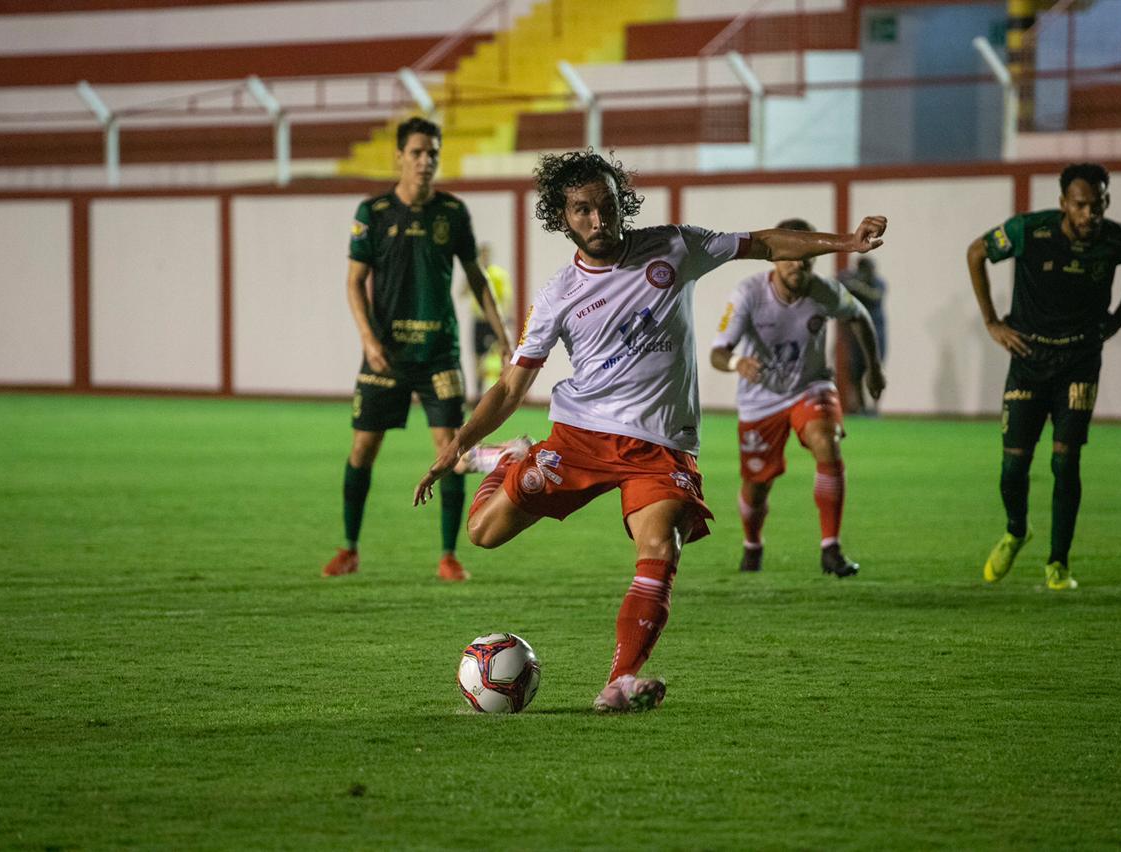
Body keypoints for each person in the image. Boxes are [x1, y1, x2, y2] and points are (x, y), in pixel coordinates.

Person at [414, 149, 887, 712]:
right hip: (580, 437)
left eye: (607, 207)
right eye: (582, 210)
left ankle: (619, 679)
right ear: (561, 215)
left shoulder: (674, 247)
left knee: (662, 544)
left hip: (661, 446)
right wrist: (459, 444)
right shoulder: (558, 295)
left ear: (622, 205)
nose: (598, 221)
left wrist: (846, 244)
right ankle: (515, 456)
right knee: (482, 534)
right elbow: (511, 390)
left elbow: (765, 243)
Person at [323, 116, 510, 582]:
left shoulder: (452, 212)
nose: (426, 161)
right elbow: (353, 282)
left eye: (433, 154)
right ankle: (349, 548)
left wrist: (504, 338)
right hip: (385, 353)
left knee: (450, 449)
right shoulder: (373, 213)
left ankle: (448, 555)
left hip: (438, 353)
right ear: (399, 157)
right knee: (363, 448)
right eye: (417, 153)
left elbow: (476, 278)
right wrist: (368, 338)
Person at [968, 162, 1121, 591]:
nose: (1091, 214)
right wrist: (992, 322)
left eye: (1098, 204)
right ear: (1063, 205)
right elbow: (976, 252)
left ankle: (1058, 563)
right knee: (1013, 467)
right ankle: (1017, 530)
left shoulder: (1117, 240)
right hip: (1029, 359)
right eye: (1081, 205)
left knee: (1065, 461)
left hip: (1079, 362)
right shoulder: (1029, 232)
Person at [710, 218, 886, 578]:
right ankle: (752, 545)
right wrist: (736, 362)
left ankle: (831, 548)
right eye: (790, 256)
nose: (798, 264)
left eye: (806, 257)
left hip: (810, 387)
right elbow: (718, 352)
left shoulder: (825, 291)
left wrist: (874, 369)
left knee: (826, 440)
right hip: (760, 399)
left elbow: (861, 317)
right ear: (774, 258)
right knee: (757, 486)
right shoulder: (748, 294)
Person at [838, 256, 888, 413]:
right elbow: (838, 284)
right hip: (856, 335)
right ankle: (861, 406)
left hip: (876, 334)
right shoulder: (852, 281)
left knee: (875, 369)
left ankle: (875, 406)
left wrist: (857, 286)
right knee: (856, 371)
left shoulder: (878, 283)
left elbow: (875, 295)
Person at [464, 243, 513, 398]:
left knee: (499, 355)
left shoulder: (498, 274)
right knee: (478, 358)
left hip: (493, 322)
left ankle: (502, 391)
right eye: (482, 255)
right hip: (479, 321)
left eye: (486, 254)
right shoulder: (474, 274)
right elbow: (462, 293)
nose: (484, 257)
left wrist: (504, 319)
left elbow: (506, 298)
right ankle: (478, 394)